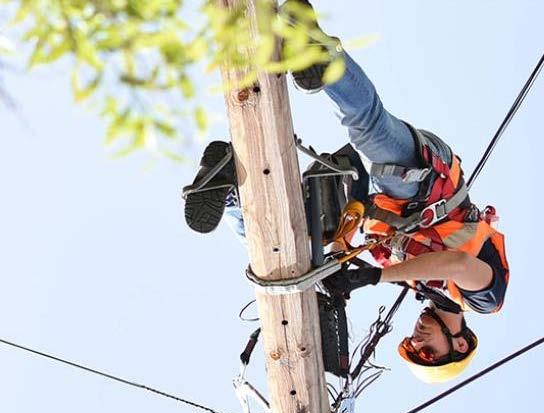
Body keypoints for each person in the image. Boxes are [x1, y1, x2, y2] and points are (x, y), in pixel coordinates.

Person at [182, 0, 509, 383]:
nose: (418, 340)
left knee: (283, 253)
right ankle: (317, 49)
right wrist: (372, 278)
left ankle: (233, 195)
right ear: (460, 344)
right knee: (370, 128)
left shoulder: (411, 279)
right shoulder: (484, 299)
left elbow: (362, 246)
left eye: (413, 347)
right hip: (430, 188)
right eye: (429, 351)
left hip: (380, 203)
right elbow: (456, 265)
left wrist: (335, 266)